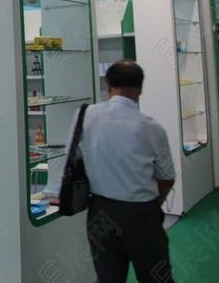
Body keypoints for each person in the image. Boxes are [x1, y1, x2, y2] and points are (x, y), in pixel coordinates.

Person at [69, 60, 175, 283]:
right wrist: (154, 203)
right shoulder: (151, 127)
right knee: (156, 277)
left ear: (108, 85)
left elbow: (74, 159)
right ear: (140, 88)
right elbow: (167, 178)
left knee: (107, 277)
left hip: (100, 210)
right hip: (141, 213)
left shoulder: (84, 116)